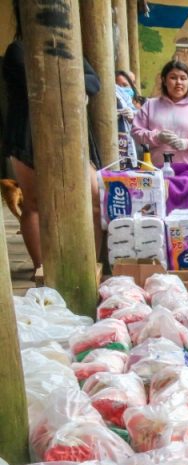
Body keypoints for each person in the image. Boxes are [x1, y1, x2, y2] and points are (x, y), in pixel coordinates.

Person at [3, 4, 103, 270]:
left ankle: (88, 264)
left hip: (73, 133)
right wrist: (74, 84)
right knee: (35, 203)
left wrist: (72, 81)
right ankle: (42, 269)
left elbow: (95, 82)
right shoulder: (17, 50)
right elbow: (39, 85)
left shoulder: (71, 52)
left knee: (95, 199)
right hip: (27, 134)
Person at [132, 60, 188, 169]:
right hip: (158, 170)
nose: (179, 82)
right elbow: (136, 132)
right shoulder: (150, 105)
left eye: (183, 78)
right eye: (173, 78)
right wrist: (157, 137)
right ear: (164, 80)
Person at [114, 70, 139, 167]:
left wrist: (133, 118)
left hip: (133, 156)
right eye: (117, 86)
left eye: (125, 85)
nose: (121, 89)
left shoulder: (137, 109)